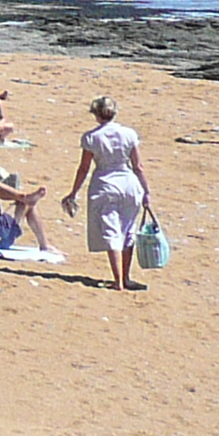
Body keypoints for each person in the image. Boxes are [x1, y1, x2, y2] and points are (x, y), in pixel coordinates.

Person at [60, 96, 154, 292]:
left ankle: (118, 280)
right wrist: (146, 191)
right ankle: (126, 277)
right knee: (128, 231)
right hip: (130, 184)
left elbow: (84, 168)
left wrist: (73, 192)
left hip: (105, 185)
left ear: (96, 114)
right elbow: (138, 166)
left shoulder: (91, 137)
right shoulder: (129, 134)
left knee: (112, 231)